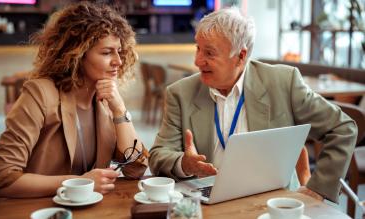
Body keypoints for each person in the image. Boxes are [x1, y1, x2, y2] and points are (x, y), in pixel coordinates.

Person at [149, 6, 357, 203]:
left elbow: (342, 128)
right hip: (210, 199)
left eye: (209, 53)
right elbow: (158, 155)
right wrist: (184, 164)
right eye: (198, 49)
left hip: (272, 199)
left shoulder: (283, 82)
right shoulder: (180, 93)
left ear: (240, 56)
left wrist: (320, 188)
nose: (197, 60)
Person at [0, 1, 148, 198]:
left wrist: (120, 111)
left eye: (119, 51)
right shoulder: (40, 94)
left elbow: (136, 169)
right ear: (77, 55)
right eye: (107, 52)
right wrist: (79, 183)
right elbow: (1, 178)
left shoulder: (105, 102)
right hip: (42, 209)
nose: (118, 61)